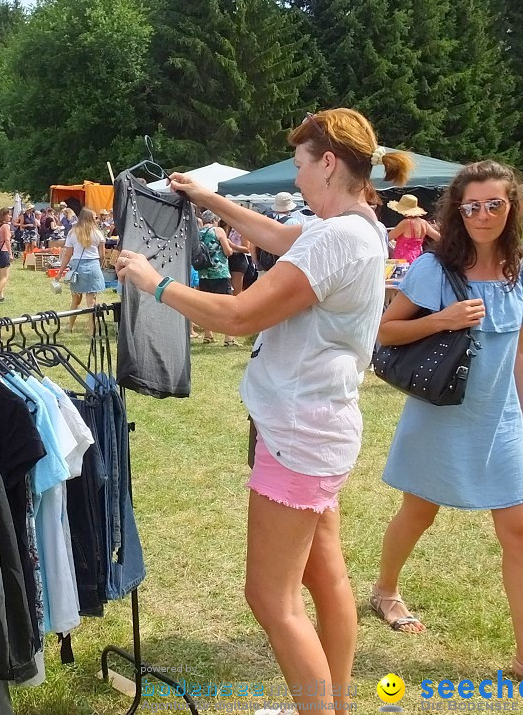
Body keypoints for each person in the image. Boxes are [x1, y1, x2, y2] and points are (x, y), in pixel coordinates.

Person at [115, 108, 409, 714]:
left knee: (270, 599)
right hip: (319, 432)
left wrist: (154, 282)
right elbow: (277, 236)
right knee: (324, 580)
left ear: (328, 163)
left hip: (299, 436)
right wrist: (208, 197)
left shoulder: (337, 238)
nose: (296, 178)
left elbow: (241, 315)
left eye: (301, 164)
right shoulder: (359, 225)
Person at [370, 161, 523, 712]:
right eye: (471, 207)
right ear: (456, 212)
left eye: (494, 204)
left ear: (514, 206)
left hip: (502, 420)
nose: (483, 215)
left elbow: (518, 350)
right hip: (441, 414)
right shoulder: (434, 271)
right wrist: (441, 320)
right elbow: (385, 332)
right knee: (418, 513)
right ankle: (384, 591)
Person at [55, 207, 106, 333]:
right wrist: (99, 265)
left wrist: (60, 272)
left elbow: (67, 254)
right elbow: (103, 255)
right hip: (93, 265)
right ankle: (92, 330)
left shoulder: (73, 232)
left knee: (75, 300)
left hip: (77, 266)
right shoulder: (98, 233)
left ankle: (70, 326)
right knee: (92, 301)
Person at [196, 211, 238, 346]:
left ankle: (208, 335)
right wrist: (230, 247)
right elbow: (228, 251)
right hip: (219, 272)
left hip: (203, 273)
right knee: (227, 304)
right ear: (215, 220)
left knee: (207, 305)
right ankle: (229, 337)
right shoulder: (218, 230)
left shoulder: (198, 232)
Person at [254, 192, 305, 274]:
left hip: (265, 261)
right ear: (289, 208)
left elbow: (255, 241)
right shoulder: (294, 223)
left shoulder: (265, 219)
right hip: (284, 263)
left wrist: (255, 260)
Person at [386, 194, 439, 262]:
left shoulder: (406, 223)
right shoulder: (424, 223)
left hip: (402, 259)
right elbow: (438, 238)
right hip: (418, 257)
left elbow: (388, 237)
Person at [224, 220, 257, 294]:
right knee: (230, 286)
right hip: (230, 257)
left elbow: (247, 249)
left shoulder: (242, 231)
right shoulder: (230, 229)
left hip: (239, 259)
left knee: (236, 288)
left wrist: (232, 245)